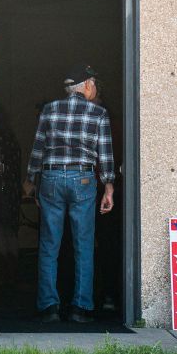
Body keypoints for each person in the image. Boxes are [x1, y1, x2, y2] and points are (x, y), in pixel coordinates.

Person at [24, 64, 115, 323]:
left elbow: (38, 149)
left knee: (49, 245)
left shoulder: (49, 110)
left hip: (51, 177)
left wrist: (31, 180)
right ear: (86, 85)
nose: (96, 88)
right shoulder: (99, 113)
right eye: (94, 83)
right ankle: (81, 308)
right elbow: (105, 155)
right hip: (84, 179)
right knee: (83, 245)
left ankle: (49, 307)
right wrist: (108, 187)